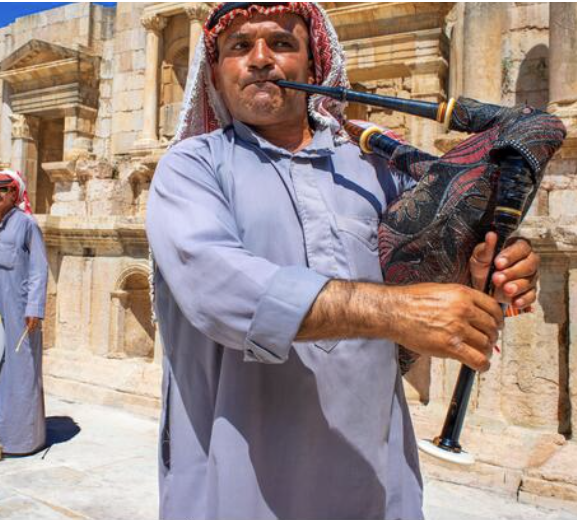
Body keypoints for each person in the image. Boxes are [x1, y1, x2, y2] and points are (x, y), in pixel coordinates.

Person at [146, 3, 541, 520]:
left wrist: (488, 271)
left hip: (372, 478)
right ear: (216, 76)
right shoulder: (191, 167)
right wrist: (395, 312)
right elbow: (221, 292)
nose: (261, 59)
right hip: (237, 475)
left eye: (282, 44)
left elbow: (429, 274)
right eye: (239, 47)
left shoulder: (377, 168)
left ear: (314, 67)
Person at [0, 168, 49, 456]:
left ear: (14, 194)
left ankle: (22, 440)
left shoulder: (26, 224)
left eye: (3, 189)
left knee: (20, 373)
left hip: (19, 313)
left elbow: (40, 269)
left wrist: (34, 308)